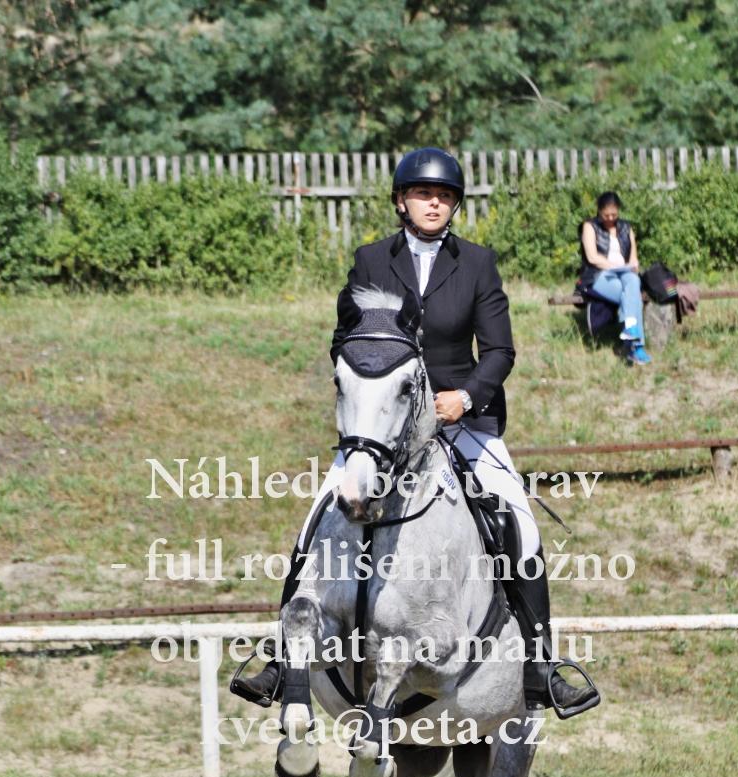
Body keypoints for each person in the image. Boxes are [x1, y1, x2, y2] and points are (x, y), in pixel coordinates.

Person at [233, 147, 598, 719]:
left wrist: (465, 396)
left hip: (462, 420)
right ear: (401, 201)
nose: (434, 203)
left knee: (519, 522)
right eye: (424, 194)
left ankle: (540, 665)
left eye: (445, 196)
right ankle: (283, 659)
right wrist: (370, 389)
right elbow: (345, 340)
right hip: (383, 429)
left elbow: (499, 351)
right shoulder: (370, 261)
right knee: (315, 519)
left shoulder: (476, 263)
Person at [579, 191, 651, 365]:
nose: (610, 218)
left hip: (625, 273)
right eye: (606, 215)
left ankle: (631, 332)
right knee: (632, 296)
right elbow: (592, 257)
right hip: (599, 274)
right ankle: (636, 347)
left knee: (633, 280)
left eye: (614, 214)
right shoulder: (590, 226)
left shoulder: (626, 227)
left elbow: (633, 258)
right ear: (599, 211)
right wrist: (614, 266)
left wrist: (632, 266)